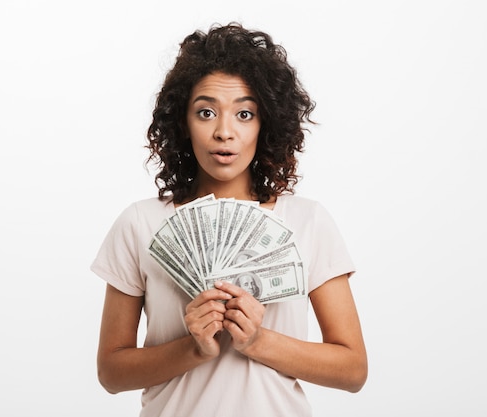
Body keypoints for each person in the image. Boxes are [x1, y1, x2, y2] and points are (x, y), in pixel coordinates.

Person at [92, 22, 367, 417]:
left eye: (244, 113)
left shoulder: (308, 221)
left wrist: (257, 341)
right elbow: (111, 372)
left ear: (265, 123)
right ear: (183, 123)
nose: (224, 132)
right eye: (206, 112)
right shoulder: (140, 223)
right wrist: (193, 347)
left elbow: (353, 370)